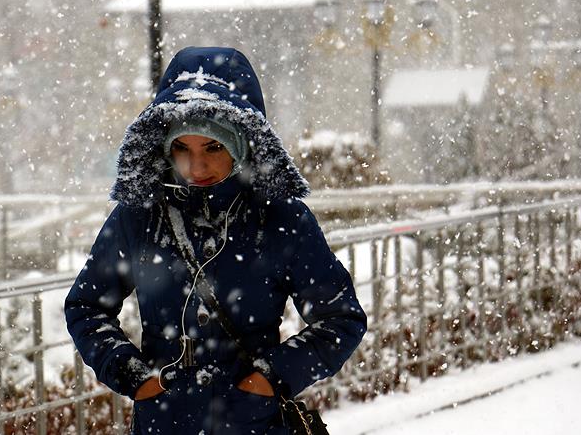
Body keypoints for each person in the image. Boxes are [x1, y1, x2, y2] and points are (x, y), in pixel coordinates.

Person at [64, 46, 367, 434]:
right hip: (165, 424)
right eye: (181, 148)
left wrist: (271, 377)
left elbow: (341, 318)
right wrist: (133, 376)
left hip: (253, 424)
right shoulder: (139, 215)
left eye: (214, 146)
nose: (197, 165)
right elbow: (86, 306)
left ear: (242, 142)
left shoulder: (280, 218)